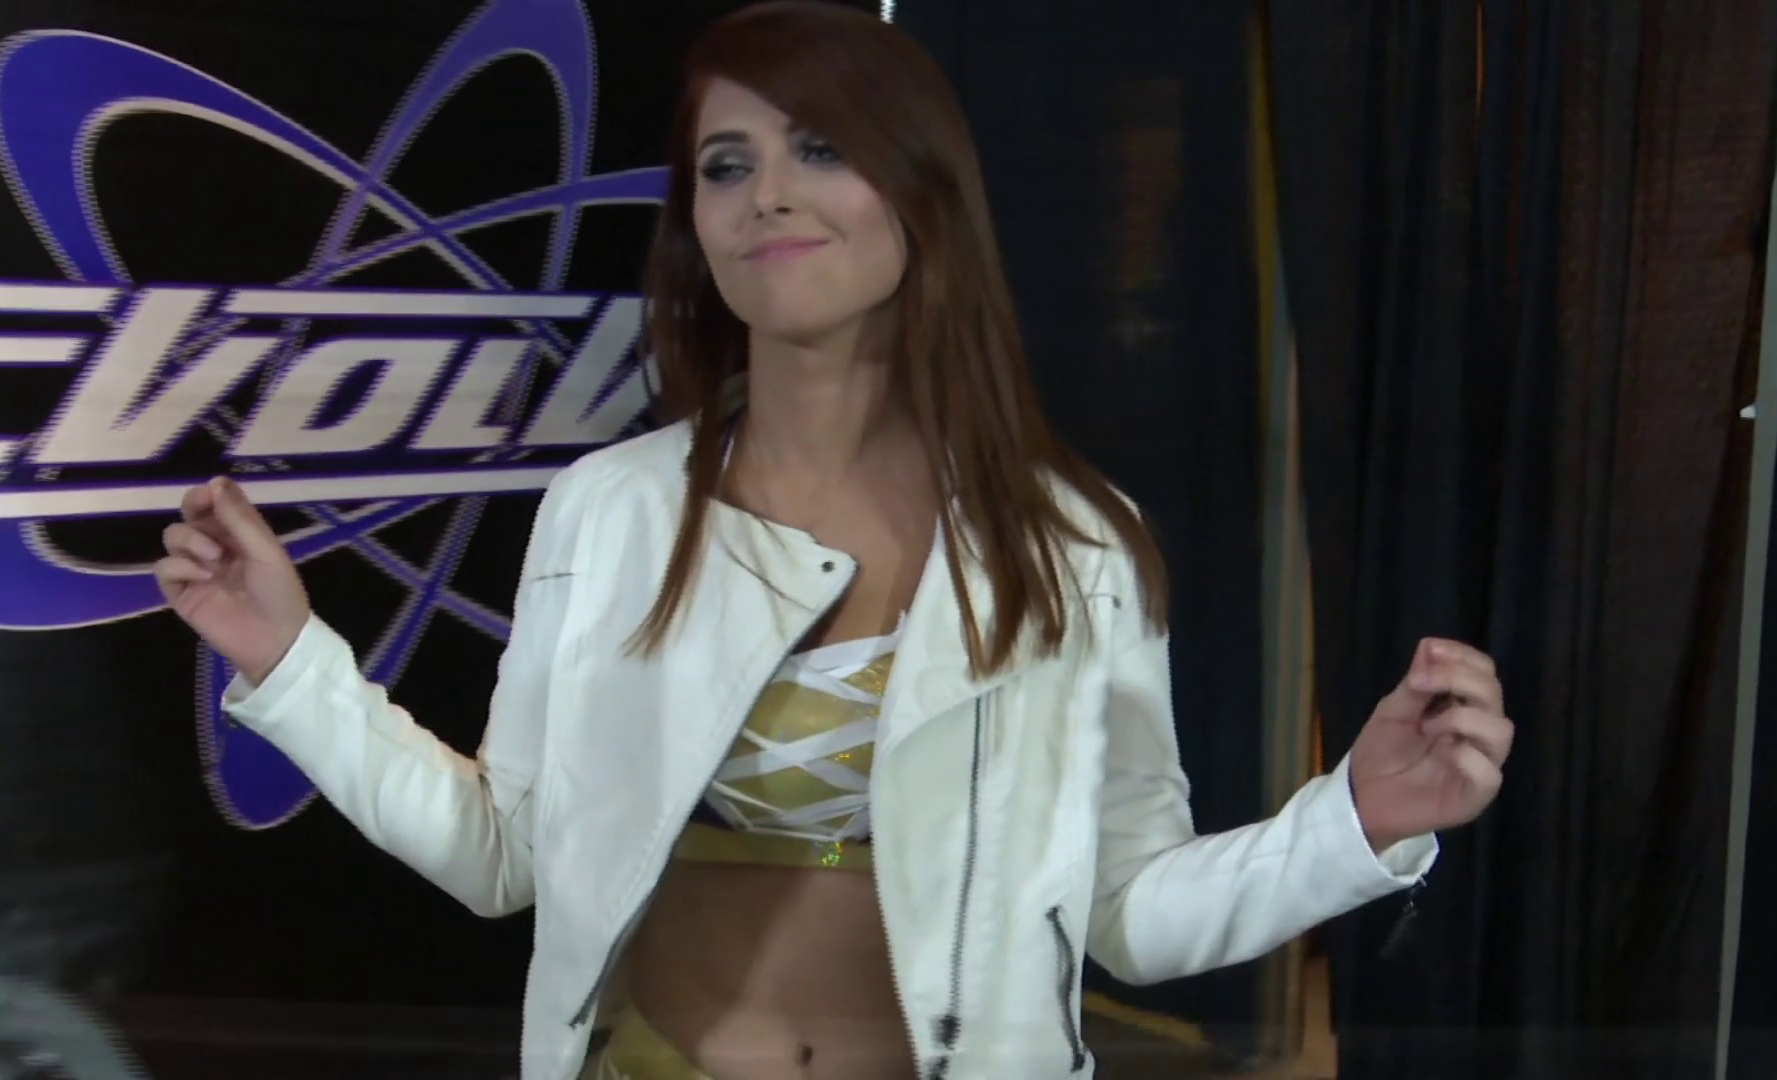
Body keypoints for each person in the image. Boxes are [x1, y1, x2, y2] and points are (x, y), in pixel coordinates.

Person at [153, 4, 1514, 1079]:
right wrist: (291, 661)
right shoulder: (610, 512)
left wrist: (1357, 821)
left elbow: (1129, 911)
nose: (767, 195)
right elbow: (499, 854)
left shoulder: (1077, 542)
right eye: (726, 164)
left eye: (820, 149)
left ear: (921, 191)